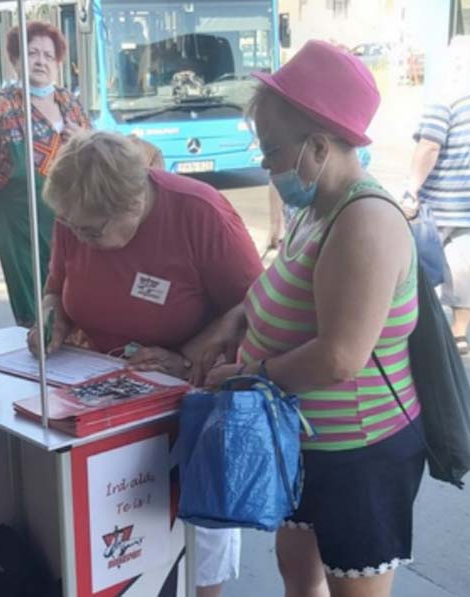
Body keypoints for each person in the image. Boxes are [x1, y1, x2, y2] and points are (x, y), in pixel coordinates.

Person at [201, 41, 423, 597]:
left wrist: (246, 376)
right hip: (301, 442)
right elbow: (275, 289)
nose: (264, 163)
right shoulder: (311, 210)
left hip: (359, 455)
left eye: (272, 150)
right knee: (298, 575)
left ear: (320, 147)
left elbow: (340, 357)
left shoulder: (363, 222)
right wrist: (235, 321)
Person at [30, 130, 261, 596]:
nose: (81, 239)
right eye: (71, 227)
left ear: (133, 205)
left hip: (194, 401)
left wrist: (187, 356)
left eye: (91, 230)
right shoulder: (76, 214)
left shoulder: (201, 213)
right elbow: (57, 286)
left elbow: (255, 304)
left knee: (195, 538)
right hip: (104, 398)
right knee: (122, 538)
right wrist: (50, 316)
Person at [0, 20, 91, 326]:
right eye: (32, 53)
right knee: (39, 312)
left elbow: (100, 161)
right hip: (23, 230)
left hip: (75, 227)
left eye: (48, 55)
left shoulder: (70, 104)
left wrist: (83, 142)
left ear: (58, 63)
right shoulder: (1, 108)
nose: (40, 61)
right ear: (16, 60)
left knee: (82, 305)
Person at [403, 35, 470, 351]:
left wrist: (410, 190)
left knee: (418, 269)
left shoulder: (446, 96)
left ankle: (417, 332)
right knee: (463, 268)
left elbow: (429, 145)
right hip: (466, 204)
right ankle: (458, 334)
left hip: (439, 205)